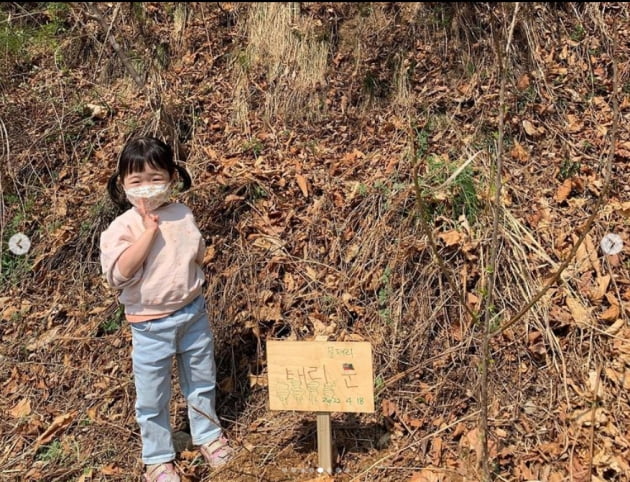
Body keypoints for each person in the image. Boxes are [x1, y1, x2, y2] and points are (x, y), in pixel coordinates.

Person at [99, 136, 233, 481]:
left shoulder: (182, 214)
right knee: (152, 395)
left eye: (156, 178)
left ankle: (208, 436)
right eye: (137, 181)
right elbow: (119, 274)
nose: (147, 187)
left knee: (201, 381)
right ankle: (157, 458)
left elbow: (196, 253)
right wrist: (147, 233)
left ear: (173, 178)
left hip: (192, 314)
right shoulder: (121, 228)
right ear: (123, 185)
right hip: (149, 326)